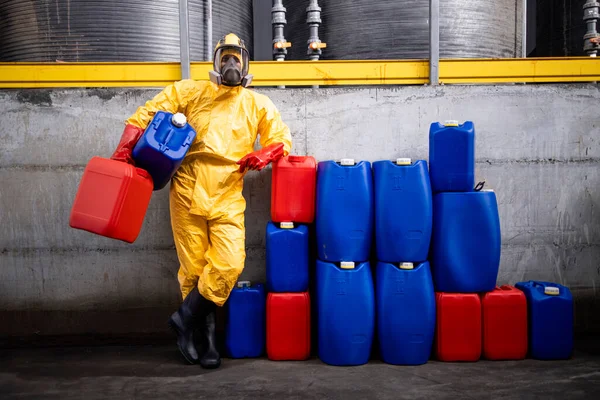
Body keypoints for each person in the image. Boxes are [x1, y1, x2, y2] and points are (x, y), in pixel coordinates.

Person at [110, 33, 292, 368]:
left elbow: (281, 137)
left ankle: (183, 319)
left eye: (237, 57)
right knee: (193, 269)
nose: (231, 63)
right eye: (226, 57)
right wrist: (125, 150)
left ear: (246, 63)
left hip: (227, 190)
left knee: (228, 263)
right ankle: (206, 341)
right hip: (187, 187)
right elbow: (147, 113)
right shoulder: (192, 90)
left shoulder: (257, 104)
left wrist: (265, 152)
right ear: (216, 61)